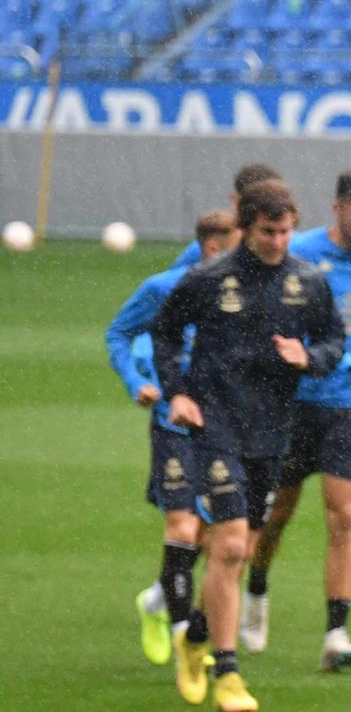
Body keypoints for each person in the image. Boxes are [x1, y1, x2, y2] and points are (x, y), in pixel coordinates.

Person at [152, 181, 344, 712]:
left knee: (240, 551)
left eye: (285, 231)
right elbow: (165, 332)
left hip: (270, 431)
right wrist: (179, 393)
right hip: (216, 424)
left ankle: (193, 635)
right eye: (268, 232)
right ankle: (229, 674)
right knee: (232, 544)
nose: (279, 242)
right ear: (248, 226)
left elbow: (334, 341)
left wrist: (309, 356)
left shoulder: (307, 282)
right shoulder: (210, 278)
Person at [241, 169, 351, 671]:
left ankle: (336, 633)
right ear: (337, 209)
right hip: (294, 400)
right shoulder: (301, 251)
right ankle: (257, 586)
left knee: (345, 516)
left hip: (350, 403)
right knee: (277, 513)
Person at [106, 208, 239, 667]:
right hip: (173, 422)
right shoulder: (164, 289)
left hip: (224, 427)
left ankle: (157, 603)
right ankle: (187, 639)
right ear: (214, 247)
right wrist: (135, 381)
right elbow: (119, 333)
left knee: (211, 535)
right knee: (182, 527)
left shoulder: (240, 294)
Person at [170, 163, 276, 267]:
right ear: (235, 200)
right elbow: (171, 281)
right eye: (257, 203)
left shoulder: (288, 245)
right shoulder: (205, 247)